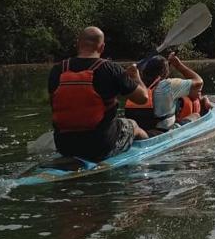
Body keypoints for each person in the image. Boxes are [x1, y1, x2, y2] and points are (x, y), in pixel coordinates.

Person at [48, 27, 149, 161]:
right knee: (133, 125)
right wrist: (136, 78)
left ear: (78, 44)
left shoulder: (57, 70)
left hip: (64, 146)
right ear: (102, 47)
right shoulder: (110, 68)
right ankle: (148, 154)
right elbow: (143, 98)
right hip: (100, 146)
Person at [131, 52, 209, 133]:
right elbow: (199, 82)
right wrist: (178, 65)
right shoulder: (168, 85)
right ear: (166, 72)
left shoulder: (136, 86)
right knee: (196, 115)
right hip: (164, 133)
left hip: (142, 131)